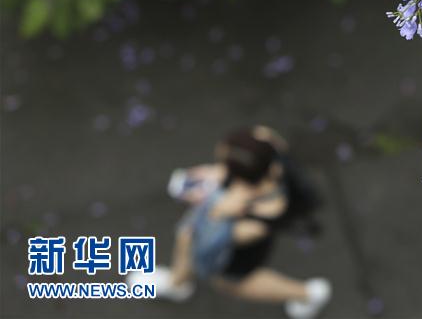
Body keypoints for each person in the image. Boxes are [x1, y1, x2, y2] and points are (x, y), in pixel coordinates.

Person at [128, 126, 331, 319]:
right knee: (186, 237)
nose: (219, 167)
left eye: (225, 164)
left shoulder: (257, 221)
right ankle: (177, 281)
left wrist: (216, 213)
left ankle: (308, 294)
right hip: (225, 223)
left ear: (243, 181)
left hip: (234, 259)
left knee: (232, 282)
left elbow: (205, 245)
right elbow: (261, 138)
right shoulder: (268, 147)